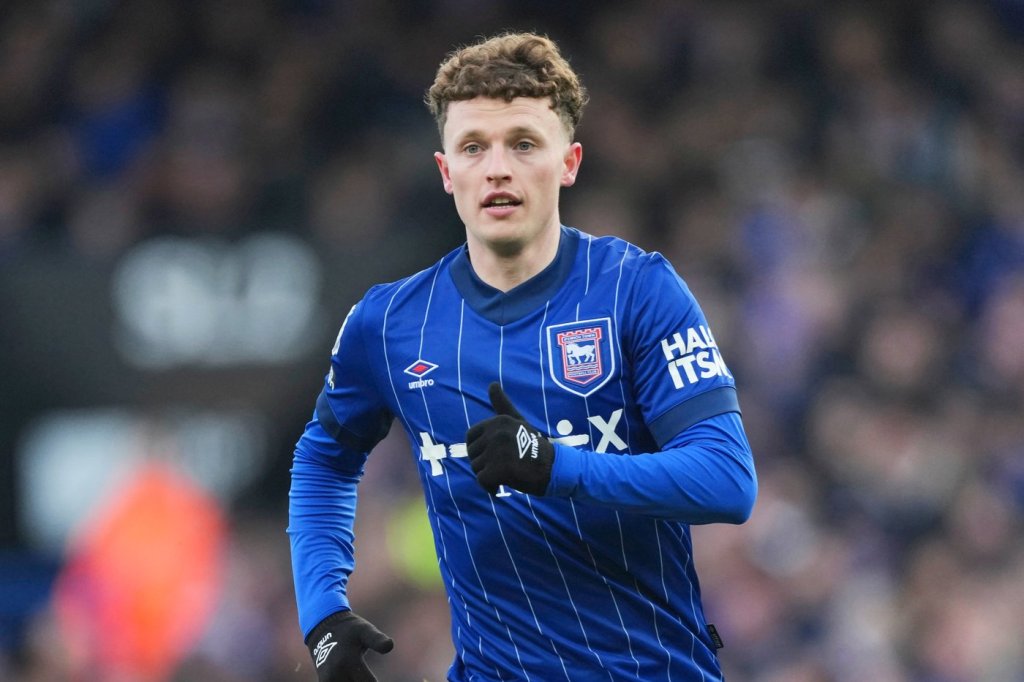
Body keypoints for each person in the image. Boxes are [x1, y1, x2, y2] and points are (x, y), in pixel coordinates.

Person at [288, 31, 757, 682]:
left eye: (524, 143)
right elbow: (322, 460)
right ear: (446, 171)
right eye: (473, 147)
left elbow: (727, 480)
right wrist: (322, 613)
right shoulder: (388, 324)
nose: (497, 168)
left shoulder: (638, 290)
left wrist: (556, 465)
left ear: (569, 162)